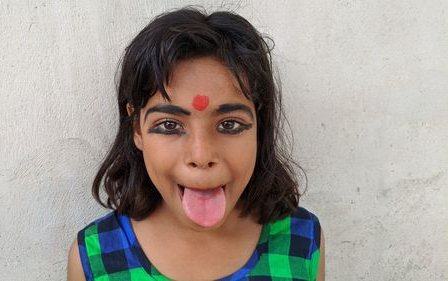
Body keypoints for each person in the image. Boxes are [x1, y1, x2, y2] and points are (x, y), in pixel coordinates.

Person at [67, 7, 325, 281]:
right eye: (169, 125)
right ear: (136, 129)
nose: (201, 156)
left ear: (259, 126)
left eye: (230, 125)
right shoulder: (96, 259)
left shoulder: (302, 241)